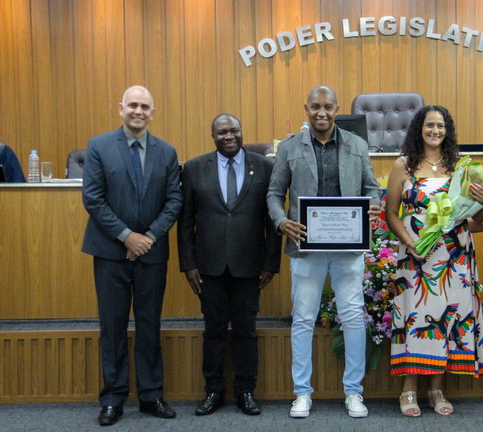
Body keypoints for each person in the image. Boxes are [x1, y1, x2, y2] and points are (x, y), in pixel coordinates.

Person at [267, 85, 382, 419]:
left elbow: (371, 188)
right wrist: (281, 222)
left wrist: (373, 206)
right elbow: (275, 193)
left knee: (353, 318)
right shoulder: (289, 147)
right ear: (306, 108)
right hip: (306, 248)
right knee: (303, 319)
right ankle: (302, 393)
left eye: (328, 107)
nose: (321, 113)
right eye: (315, 107)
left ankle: (354, 392)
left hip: (349, 249)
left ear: (337, 108)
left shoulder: (357, 145)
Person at [81, 85, 182, 426]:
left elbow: (174, 202)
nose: (138, 111)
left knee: (150, 325)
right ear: (121, 108)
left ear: (153, 113)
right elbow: (93, 199)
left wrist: (148, 237)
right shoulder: (98, 147)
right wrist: (127, 237)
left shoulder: (167, 152)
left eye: (145, 106)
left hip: (151, 253)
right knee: (112, 326)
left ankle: (152, 396)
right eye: (133, 105)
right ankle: (113, 398)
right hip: (111, 252)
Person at [385, 105, 483, 417]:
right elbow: (391, 213)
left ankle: (436, 389)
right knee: (416, 318)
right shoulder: (403, 166)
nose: (436, 131)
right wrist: (409, 242)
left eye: (442, 126)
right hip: (416, 255)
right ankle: (408, 390)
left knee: (446, 319)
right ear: (419, 128)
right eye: (430, 125)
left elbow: (476, 220)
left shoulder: (460, 167)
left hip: (454, 256)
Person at [177, 114, 281, 416]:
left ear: (242, 131)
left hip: (251, 265)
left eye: (234, 130)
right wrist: (188, 264)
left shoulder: (264, 167)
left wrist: (271, 263)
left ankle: (246, 391)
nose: (229, 136)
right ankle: (214, 391)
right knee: (214, 330)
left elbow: (272, 217)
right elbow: (185, 222)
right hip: (208, 267)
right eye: (222, 132)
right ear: (213, 136)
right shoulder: (195, 169)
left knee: (247, 330)